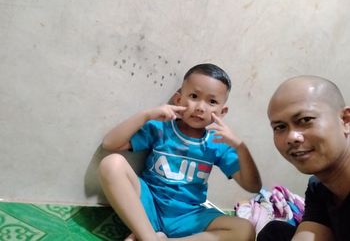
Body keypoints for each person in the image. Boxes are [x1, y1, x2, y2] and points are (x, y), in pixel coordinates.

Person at [99, 63, 262, 241]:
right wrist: (146, 115)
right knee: (112, 163)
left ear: (222, 112)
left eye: (212, 101)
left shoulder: (218, 143)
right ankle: (149, 236)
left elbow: (253, 186)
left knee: (245, 230)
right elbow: (110, 143)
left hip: (189, 216)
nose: (200, 107)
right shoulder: (161, 127)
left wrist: (241, 147)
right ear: (178, 100)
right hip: (148, 206)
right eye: (194, 96)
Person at [258, 75, 350, 241]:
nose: (291, 137)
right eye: (280, 127)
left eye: (305, 120)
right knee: (273, 232)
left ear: (345, 121)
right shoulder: (319, 187)